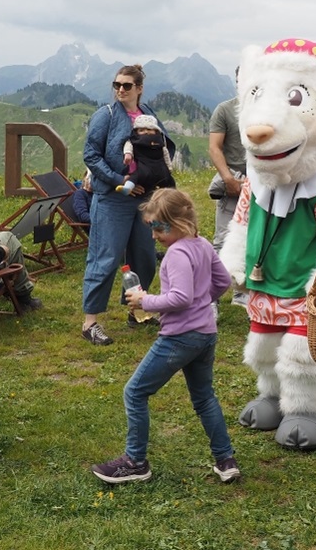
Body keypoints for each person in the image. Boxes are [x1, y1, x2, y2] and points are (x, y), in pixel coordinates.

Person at [92, 189, 239, 484]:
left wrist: (145, 301)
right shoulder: (202, 245)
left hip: (180, 337)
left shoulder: (177, 254)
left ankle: (135, 462)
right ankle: (226, 460)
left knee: (134, 392)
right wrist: (202, 303)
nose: (155, 235)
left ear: (180, 221)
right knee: (204, 397)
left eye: (160, 227)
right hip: (205, 334)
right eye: (151, 227)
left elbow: (181, 298)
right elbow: (223, 281)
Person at [81, 64, 176, 345]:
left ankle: (137, 311)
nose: (120, 90)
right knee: (105, 258)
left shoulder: (148, 114)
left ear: (139, 88)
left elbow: (164, 145)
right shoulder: (106, 115)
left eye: (126, 86)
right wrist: (118, 181)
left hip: (144, 198)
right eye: (116, 85)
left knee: (144, 255)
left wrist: (155, 173)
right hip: (112, 199)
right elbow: (91, 155)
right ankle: (90, 323)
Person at [207, 72, 248, 306]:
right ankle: (210, 296)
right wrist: (228, 179)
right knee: (223, 238)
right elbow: (214, 148)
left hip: (261, 183)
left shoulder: (267, 111)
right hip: (234, 180)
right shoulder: (224, 110)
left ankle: (241, 290)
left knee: (256, 239)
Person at [118, 114, 175, 194]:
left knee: (168, 180)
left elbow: (165, 154)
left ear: (156, 131)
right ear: (136, 132)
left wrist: (169, 167)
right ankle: (127, 188)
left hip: (160, 168)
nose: (146, 132)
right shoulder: (134, 142)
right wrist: (128, 154)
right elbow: (128, 146)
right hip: (144, 168)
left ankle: (173, 195)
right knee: (135, 176)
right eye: (141, 130)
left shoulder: (160, 143)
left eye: (149, 129)